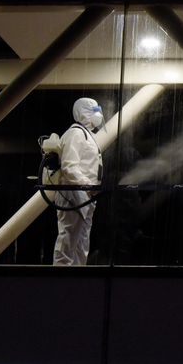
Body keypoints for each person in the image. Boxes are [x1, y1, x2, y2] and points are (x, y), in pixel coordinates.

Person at [54, 98, 104, 266]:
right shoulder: (75, 133)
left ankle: (79, 280)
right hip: (74, 194)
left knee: (81, 241)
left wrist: (90, 188)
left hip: (85, 195)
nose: (99, 115)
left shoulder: (87, 135)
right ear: (83, 112)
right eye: (94, 111)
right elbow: (69, 166)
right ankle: (60, 281)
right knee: (68, 238)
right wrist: (87, 184)